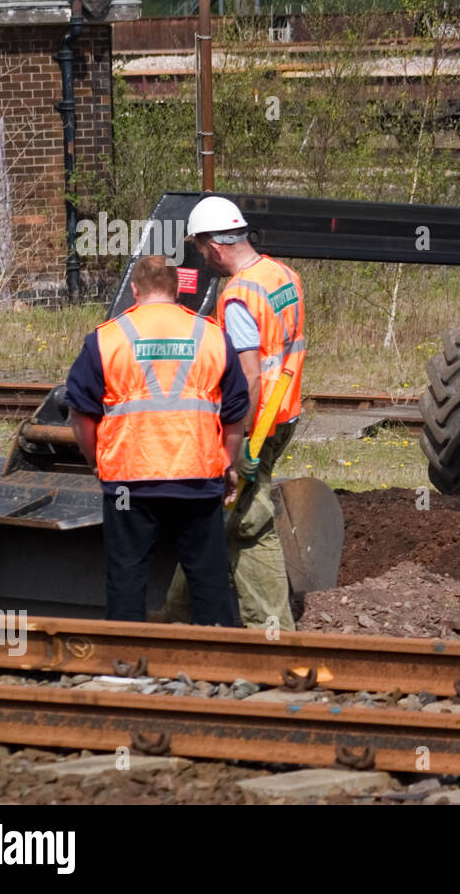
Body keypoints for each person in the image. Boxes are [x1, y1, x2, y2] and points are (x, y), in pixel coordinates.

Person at [65, 254, 250, 625]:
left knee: (126, 575)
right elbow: (234, 414)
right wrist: (227, 465)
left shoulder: (106, 338)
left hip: (127, 482)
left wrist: (96, 462)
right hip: (197, 477)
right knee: (209, 576)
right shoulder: (212, 335)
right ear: (178, 289)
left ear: (135, 290)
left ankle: (123, 663)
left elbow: (80, 414)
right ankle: (218, 663)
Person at [164, 195, 305, 631]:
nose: (202, 258)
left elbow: (249, 377)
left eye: (200, 249)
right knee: (220, 516)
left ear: (215, 245)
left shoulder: (239, 295)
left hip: (258, 424)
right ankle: (176, 618)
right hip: (286, 412)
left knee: (245, 522)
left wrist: (237, 442)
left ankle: (270, 633)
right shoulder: (282, 274)